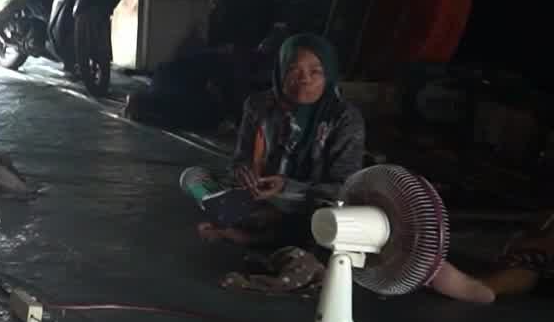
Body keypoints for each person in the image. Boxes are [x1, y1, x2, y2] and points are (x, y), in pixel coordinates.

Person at [183, 33, 493, 302]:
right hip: (257, 197)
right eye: (294, 69)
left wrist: (286, 187)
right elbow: (239, 158)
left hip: (314, 203)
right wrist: (243, 172)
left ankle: (254, 234)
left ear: (328, 75)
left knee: (353, 223)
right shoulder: (258, 105)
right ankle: (252, 230)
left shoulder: (345, 118)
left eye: (315, 71)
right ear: (280, 72)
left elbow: (345, 185)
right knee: (193, 176)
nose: (304, 78)